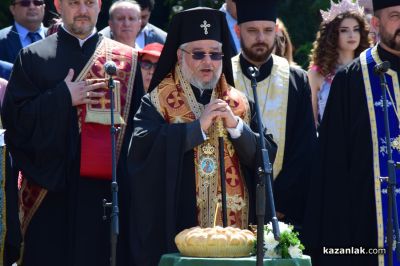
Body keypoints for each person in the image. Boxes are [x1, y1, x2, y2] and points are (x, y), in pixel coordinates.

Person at [127, 7, 277, 266]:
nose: (208, 62)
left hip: (236, 240)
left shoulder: (239, 103)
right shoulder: (157, 101)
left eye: (215, 54)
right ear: (179, 55)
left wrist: (236, 127)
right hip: (178, 231)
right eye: (198, 54)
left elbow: (265, 159)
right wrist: (196, 128)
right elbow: (141, 154)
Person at [0, 0, 144, 265]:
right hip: (50, 192)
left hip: (106, 196)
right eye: (74, 3)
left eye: (89, 3)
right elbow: (16, 124)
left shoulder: (126, 61)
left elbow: (139, 132)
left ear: (99, 6)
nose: (82, 10)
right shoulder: (32, 57)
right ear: (58, 5)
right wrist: (62, 97)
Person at [302, 1, 400, 266]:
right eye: (395, 16)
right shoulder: (352, 81)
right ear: (377, 25)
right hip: (368, 231)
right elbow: (333, 172)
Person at [232, 0, 316, 230]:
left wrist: (277, 203)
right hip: (232, 204)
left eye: (267, 31)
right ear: (237, 31)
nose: (261, 38)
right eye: (252, 31)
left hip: (282, 210)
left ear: (276, 31)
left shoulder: (295, 78)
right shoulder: (224, 76)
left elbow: (304, 149)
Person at [308, 0, 370, 127]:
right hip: (330, 143)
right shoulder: (317, 74)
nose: (352, 35)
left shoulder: (371, 68)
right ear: (333, 35)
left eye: (356, 29)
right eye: (344, 30)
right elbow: (311, 124)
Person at [0, 0, 46, 64]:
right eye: (25, 3)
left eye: (37, 2)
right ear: (13, 9)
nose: (32, 7)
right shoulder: (1, 40)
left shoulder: (59, 37)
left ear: (43, 7)